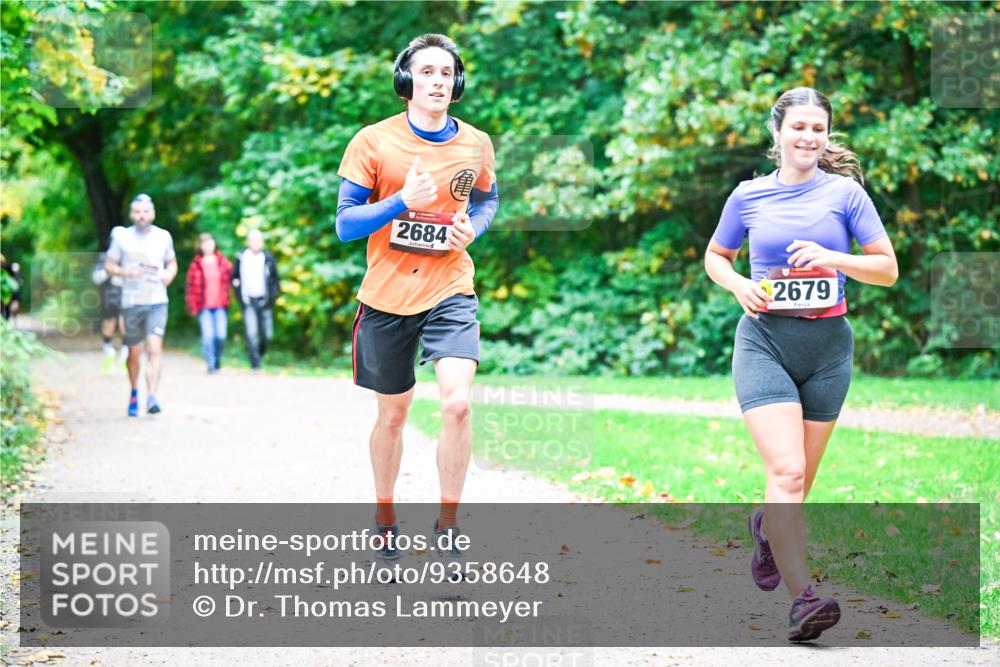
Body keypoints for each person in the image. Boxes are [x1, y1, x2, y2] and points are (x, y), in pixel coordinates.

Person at [704, 87, 897, 642]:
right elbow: (718, 258)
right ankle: (803, 601)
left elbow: (887, 269)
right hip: (765, 342)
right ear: (778, 133)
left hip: (829, 349)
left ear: (827, 134)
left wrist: (835, 258)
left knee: (797, 485)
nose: (809, 137)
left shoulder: (846, 195)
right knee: (786, 472)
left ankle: (766, 527)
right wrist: (740, 285)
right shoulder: (748, 196)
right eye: (799, 127)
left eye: (819, 128)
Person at [335, 33, 499, 565]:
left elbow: (488, 197)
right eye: (426, 72)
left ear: (458, 85)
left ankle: (448, 521)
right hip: (386, 294)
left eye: (446, 74)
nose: (437, 82)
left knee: (456, 403)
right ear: (407, 82)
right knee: (394, 416)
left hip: (450, 286)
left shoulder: (475, 142)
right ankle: (385, 515)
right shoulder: (373, 142)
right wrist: (401, 201)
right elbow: (344, 224)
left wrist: (472, 227)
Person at [105, 194, 178, 417]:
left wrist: (169, 275)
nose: (141, 215)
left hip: (157, 301)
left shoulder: (163, 237)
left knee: (154, 348)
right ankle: (134, 391)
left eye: (145, 211)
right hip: (132, 302)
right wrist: (127, 271)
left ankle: (152, 397)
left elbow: (172, 262)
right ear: (131, 214)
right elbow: (109, 265)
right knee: (134, 353)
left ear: (152, 212)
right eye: (137, 211)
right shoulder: (122, 238)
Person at [185, 232, 233, 373]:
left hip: (220, 305)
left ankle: (217, 359)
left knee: (221, 335)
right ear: (200, 246)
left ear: (214, 244)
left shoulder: (222, 262)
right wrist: (192, 305)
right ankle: (210, 365)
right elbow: (190, 287)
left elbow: (233, 276)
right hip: (204, 306)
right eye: (204, 243)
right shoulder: (196, 265)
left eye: (210, 242)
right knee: (208, 337)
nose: (208, 245)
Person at [232, 229, 279, 370]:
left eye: (258, 240)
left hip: (265, 301)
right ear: (248, 242)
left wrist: (272, 296)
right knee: (251, 333)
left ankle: (259, 353)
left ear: (262, 242)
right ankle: (255, 364)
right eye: (252, 240)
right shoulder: (241, 257)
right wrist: (237, 288)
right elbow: (234, 277)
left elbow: (275, 279)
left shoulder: (268, 258)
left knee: (267, 335)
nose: (255, 243)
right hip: (248, 301)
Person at [91, 227, 128, 373]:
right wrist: (108, 270)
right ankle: (109, 354)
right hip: (110, 295)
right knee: (109, 324)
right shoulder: (104, 257)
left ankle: (125, 356)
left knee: (125, 324)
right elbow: (96, 278)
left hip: (127, 295)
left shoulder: (130, 257)